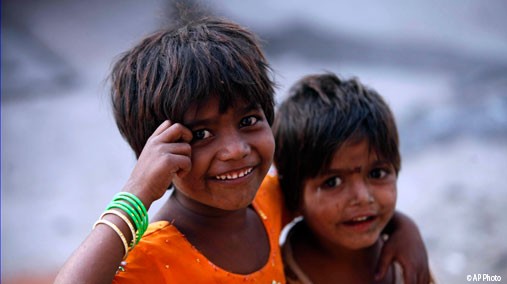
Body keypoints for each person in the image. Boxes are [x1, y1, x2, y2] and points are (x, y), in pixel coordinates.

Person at [54, 18, 430, 283]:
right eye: (200, 134)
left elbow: (342, 200)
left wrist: (403, 227)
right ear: (155, 152)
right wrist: (137, 192)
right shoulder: (153, 255)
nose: (235, 150)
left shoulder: (268, 200)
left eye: (249, 120)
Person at [272, 73, 435, 283]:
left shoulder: (408, 265)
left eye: (377, 174)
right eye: (333, 182)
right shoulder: (280, 275)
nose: (362, 197)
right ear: (294, 196)